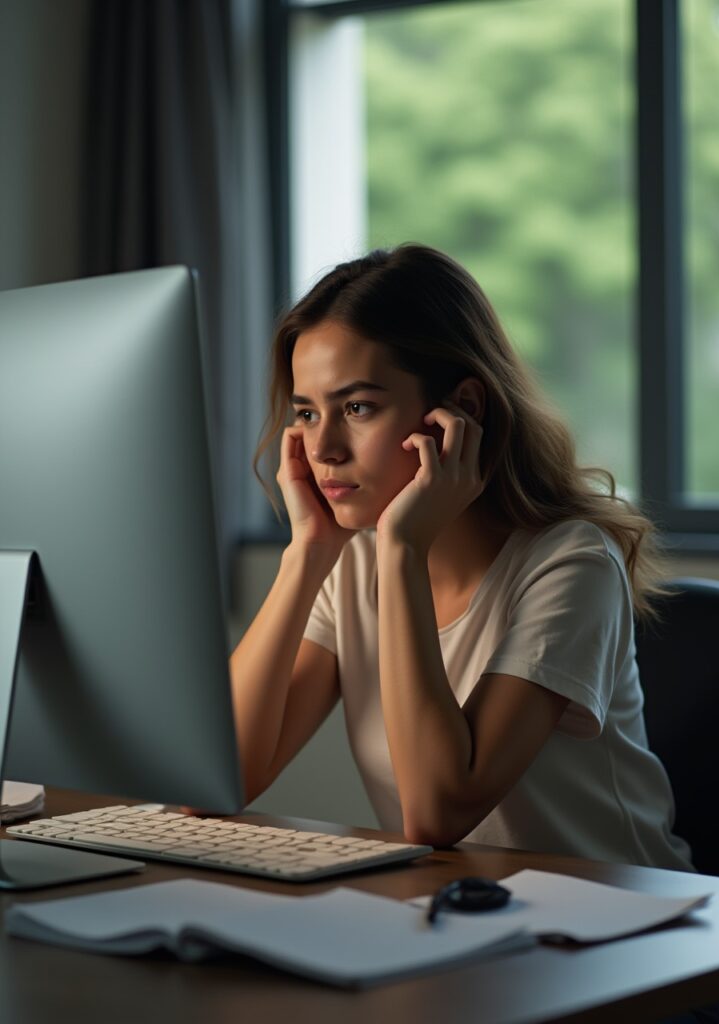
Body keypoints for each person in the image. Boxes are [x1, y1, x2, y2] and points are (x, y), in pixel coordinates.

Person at [232, 242, 693, 871]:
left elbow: (437, 812)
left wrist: (400, 548)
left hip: (617, 931)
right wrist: (306, 552)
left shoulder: (571, 564)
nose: (325, 448)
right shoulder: (348, 565)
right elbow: (221, 778)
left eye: (358, 407)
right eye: (308, 413)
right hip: (460, 916)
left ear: (462, 411)